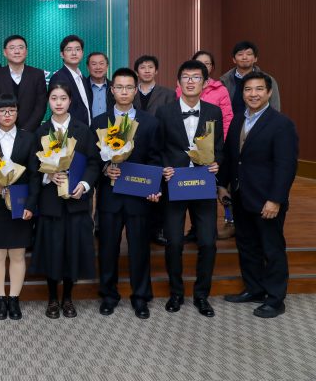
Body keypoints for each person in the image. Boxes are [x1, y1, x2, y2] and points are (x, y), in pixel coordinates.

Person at [219, 72, 298, 318]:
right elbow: (232, 157)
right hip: (241, 196)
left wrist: (275, 199)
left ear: (269, 92)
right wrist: (222, 185)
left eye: (259, 89)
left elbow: (286, 166)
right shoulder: (237, 121)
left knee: (271, 249)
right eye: (248, 90)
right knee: (247, 246)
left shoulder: (281, 124)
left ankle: (275, 299)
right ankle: (254, 289)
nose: (253, 94)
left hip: (267, 200)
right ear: (242, 93)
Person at [156, 60, 224, 318]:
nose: (191, 81)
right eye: (186, 77)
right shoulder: (164, 112)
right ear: (178, 82)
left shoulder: (214, 111)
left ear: (205, 83)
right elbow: (158, 148)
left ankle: (201, 295)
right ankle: (176, 293)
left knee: (207, 242)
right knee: (174, 242)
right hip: (175, 184)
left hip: (203, 184)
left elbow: (220, 147)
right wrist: (164, 168)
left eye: (196, 77)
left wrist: (218, 163)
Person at [93, 68, 161, 319]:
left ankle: (141, 297)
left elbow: (155, 158)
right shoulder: (99, 122)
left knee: (140, 249)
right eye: (119, 87)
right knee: (108, 248)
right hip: (110, 197)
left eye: (129, 87)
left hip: (138, 196)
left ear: (135, 90)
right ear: (112, 90)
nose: (124, 92)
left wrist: (153, 187)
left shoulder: (150, 122)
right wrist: (105, 169)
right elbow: (92, 160)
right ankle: (108, 295)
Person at [30, 83, 99, 319]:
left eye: (63, 98)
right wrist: (48, 176)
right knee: (52, 251)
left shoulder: (83, 130)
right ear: (48, 101)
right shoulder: (40, 132)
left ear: (70, 101)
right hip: (51, 203)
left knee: (72, 252)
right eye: (54, 98)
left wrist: (85, 184)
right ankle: (52, 298)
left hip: (76, 202)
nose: (58, 103)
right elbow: (33, 168)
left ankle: (68, 298)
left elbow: (93, 163)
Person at [0, 93, 38, 320]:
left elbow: (34, 175)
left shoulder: (28, 138)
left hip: (20, 203)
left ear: (17, 113)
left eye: (11, 110)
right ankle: (0, 299)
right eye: (2, 111)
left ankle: (14, 299)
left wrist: (31, 204)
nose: (7, 114)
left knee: (18, 253)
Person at [178, 50, 234, 242]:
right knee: (185, 191)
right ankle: (194, 229)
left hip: (208, 150)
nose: (203, 65)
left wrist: (218, 148)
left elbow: (226, 119)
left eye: (207, 63)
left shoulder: (220, 89)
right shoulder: (183, 87)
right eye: (199, 62)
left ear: (211, 68)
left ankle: (208, 230)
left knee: (206, 194)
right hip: (184, 151)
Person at [133, 54, 176, 246]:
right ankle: (140, 229)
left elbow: (171, 121)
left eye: (150, 67)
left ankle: (158, 229)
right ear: (137, 71)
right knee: (137, 189)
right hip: (133, 148)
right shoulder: (131, 91)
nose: (147, 70)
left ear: (156, 71)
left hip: (159, 145)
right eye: (143, 67)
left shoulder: (168, 94)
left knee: (158, 190)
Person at [0, 35, 48, 132]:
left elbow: (41, 106)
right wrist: (5, 128)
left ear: (26, 51)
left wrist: (26, 130)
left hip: (30, 133)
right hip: (3, 132)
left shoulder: (37, 75)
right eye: (12, 48)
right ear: (5, 52)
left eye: (21, 47)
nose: (17, 51)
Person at [219, 40, 281, 114]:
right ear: (234, 60)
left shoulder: (267, 79)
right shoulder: (224, 80)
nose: (244, 57)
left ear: (255, 59)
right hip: (231, 121)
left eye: (249, 54)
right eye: (240, 54)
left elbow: (275, 106)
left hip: (259, 121)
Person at [47, 35, 93, 125]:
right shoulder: (58, 78)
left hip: (86, 130)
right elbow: (58, 110)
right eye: (69, 50)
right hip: (69, 131)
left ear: (82, 53)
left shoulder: (83, 78)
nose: (74, 53)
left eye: (77, 49)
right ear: (62, 54)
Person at [87, 52, 114, 119]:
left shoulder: (114, 87)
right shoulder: (81, 86)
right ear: (88, 67)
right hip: (86, 125)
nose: (98, 67)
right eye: (94, 64)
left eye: (101, 63)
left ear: (107, 66)